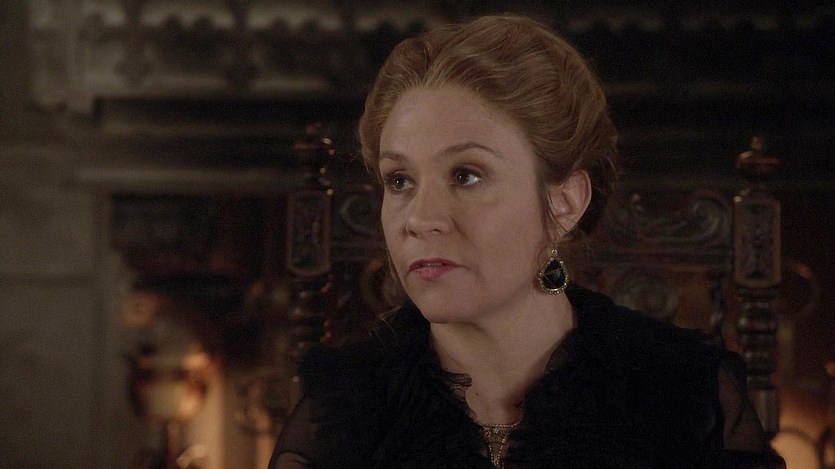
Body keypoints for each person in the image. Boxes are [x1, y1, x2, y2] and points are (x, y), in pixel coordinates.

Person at [269, 14, 785, 468]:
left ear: (564, 202)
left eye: (466, 175)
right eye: (399, 181)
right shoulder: (341, 410)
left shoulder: (683, 394)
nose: (420, 220)